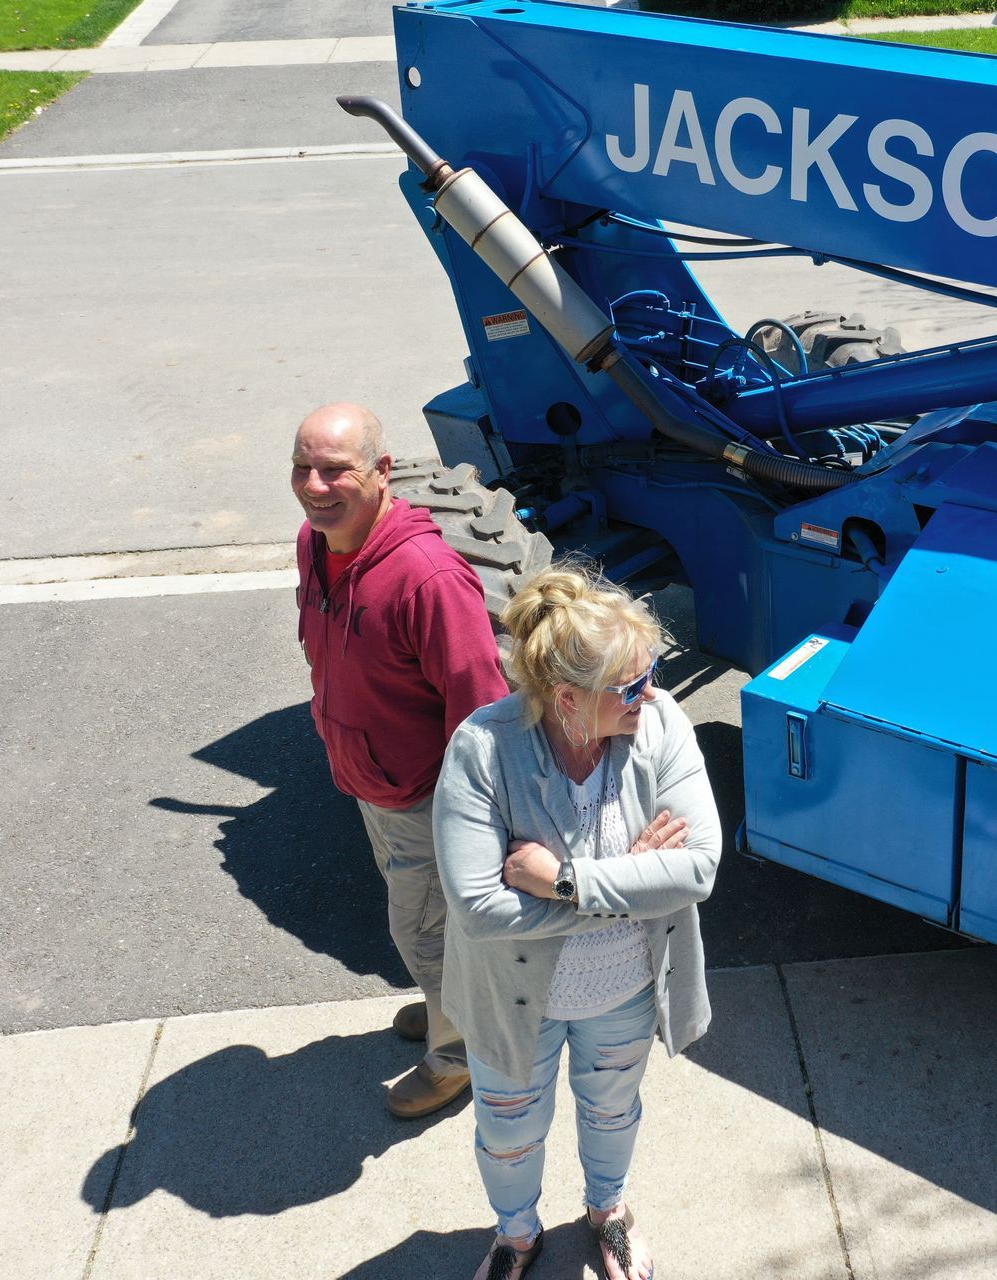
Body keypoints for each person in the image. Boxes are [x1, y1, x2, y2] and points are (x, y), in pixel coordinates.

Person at [434, 565, 721, 1280]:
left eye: (650, 670)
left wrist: (566, 880)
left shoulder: (659, 725)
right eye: (629, 685)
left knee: (612, 1111)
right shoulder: (482, 749)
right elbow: (476, 906)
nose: (649, 692)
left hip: (622, 991)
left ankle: (608, 1211)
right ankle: (517, 1234)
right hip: (512, 1002)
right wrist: (634, 877)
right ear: (567, 698)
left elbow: (699, 868)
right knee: (507, 1134)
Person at [292, 402, 509, 1118]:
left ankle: (458, 1057)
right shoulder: (316, 541)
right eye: (303, 468)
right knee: (425, 926)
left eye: (335, 471)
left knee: (423, 930)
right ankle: (446, 1005)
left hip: (422, 794)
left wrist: (471, 819)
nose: (314, 487)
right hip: (369, 779)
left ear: (383, 473)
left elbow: (479, 706)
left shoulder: (429, 578)